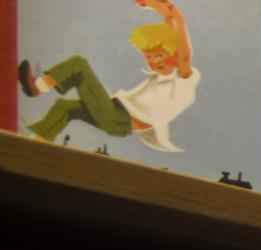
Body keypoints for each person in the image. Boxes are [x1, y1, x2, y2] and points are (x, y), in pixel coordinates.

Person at [19, 0, 200, 155]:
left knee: (78, 65)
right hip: (113, 110)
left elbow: (182, 53)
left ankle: (38, 86)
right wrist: (162, 11)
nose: (154, 62)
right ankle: (35, 145)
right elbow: (169, 32)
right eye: (149, 58)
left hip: (119, 118)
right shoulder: (161, 76)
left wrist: (178, 17)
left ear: (172, 54)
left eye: (159, 55)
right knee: (65, 108)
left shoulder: (182, 78)